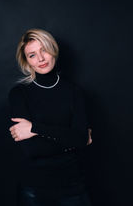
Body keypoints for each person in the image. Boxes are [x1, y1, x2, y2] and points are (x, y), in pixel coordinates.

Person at [8, 28, 92, 206]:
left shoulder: (74, 92)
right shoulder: (19, 94)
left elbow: (80, 138)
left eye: (43, 50)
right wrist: (71, 140)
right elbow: (32, 150)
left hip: (72, 185)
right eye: (32, 55)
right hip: (34, 189)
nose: (40, 59)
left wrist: (34, 128)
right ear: (27, 61)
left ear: (53, 49)